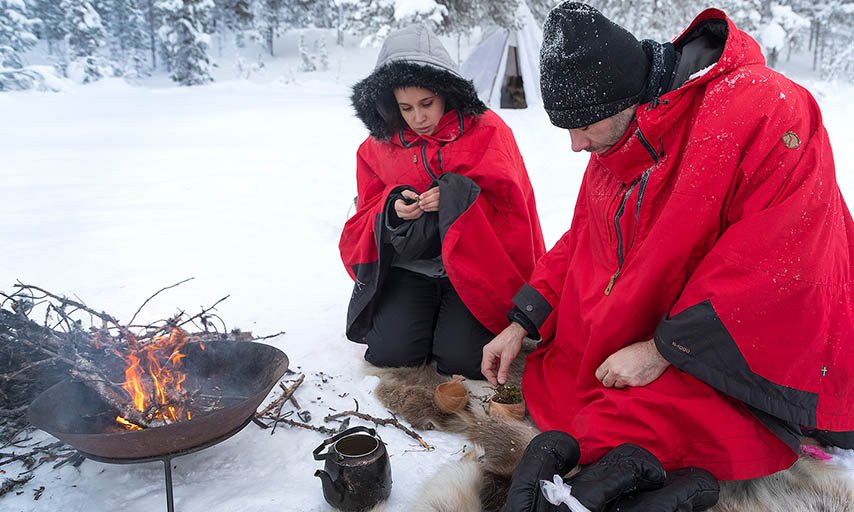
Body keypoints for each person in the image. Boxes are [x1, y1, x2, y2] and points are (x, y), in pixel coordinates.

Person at [481, 0, 854, 499]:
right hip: (669, 327)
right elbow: (583, 239)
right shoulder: (615, 140)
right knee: (576, 409)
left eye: (583, 125)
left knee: (619, 433)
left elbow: (781, 259)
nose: (574, 146)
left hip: (765, 341)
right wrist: (523, 321)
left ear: (627, 97)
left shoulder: (763, 108)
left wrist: (663, 349)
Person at [341, 24, 546, 380]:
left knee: (463, 360)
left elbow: (512, 211)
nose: (418, 118)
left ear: (446, 93)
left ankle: (451, 324)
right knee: (391, 353)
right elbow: (365, 213)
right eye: (405, 107)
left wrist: (455, 199)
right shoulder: (377, 146)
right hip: (412, 266)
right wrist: (392, 209)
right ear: (389, 103)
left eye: (427, 104)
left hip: (473, 264)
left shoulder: (489, 132)